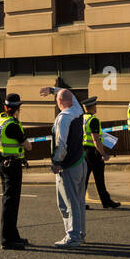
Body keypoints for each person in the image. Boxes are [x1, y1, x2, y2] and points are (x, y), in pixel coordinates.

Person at [0, 93, 32, 250]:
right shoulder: (12, 125)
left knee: (10, 201)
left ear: (5, 107)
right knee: (11, 202)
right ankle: (7, 239)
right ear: (17, 108)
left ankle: (13, 235)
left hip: (2, 162)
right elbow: (27, 146)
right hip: (12, 166)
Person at [51, 89, 87, 247]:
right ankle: (79, 232)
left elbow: (61, 144)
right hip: (80, 163)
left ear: (59, 102)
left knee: (67, 203)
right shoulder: (77, 110)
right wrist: (53, 90)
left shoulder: (64, 118)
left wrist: (56, 162)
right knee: (78, 201)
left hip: (68, 166)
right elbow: (69, 95)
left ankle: (72, 236)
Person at [81, 96, 121, 209]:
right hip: (94, 153)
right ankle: (106, 201)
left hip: (84, 152)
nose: (96, 107)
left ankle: (80, 203)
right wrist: (103, 153)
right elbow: (95, 139)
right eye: (95, 105)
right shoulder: (93, 120)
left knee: (84, 179)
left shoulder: (82, 118)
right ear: (92, 107)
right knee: (99, 179)